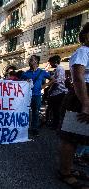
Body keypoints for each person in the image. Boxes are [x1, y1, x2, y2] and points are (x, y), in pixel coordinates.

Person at [58, 22, 89, 189]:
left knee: (79, 136)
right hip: (80, 97)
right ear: (85, 36)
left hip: (84, 97)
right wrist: (85, 103)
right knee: (71, 137)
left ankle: (69, 168)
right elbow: (78, 78)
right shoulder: (83, 51)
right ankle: (65, 172)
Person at [21, 55, 54, 136]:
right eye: (29, 60)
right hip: (27, 96)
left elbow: (53, 79)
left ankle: (34, 129)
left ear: (36, 61)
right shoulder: (25, 74)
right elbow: (19, 83)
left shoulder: (42, 72)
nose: (29, 61)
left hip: (37, 95)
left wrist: (44, 86)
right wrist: (25, 81)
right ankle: (24, 127)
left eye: (31, 60)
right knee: (26, 112)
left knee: (36, 113)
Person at [47, 55, 68, 130]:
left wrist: (48, 87)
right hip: (55, 93)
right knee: (55, 110)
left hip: (59, 92)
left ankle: (57, 125)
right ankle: (55, 124)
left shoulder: (60, 69)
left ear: (55, 61)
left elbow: (57, 81)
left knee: (57, 110)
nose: (50, 64)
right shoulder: (56, 69)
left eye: (51, 62)